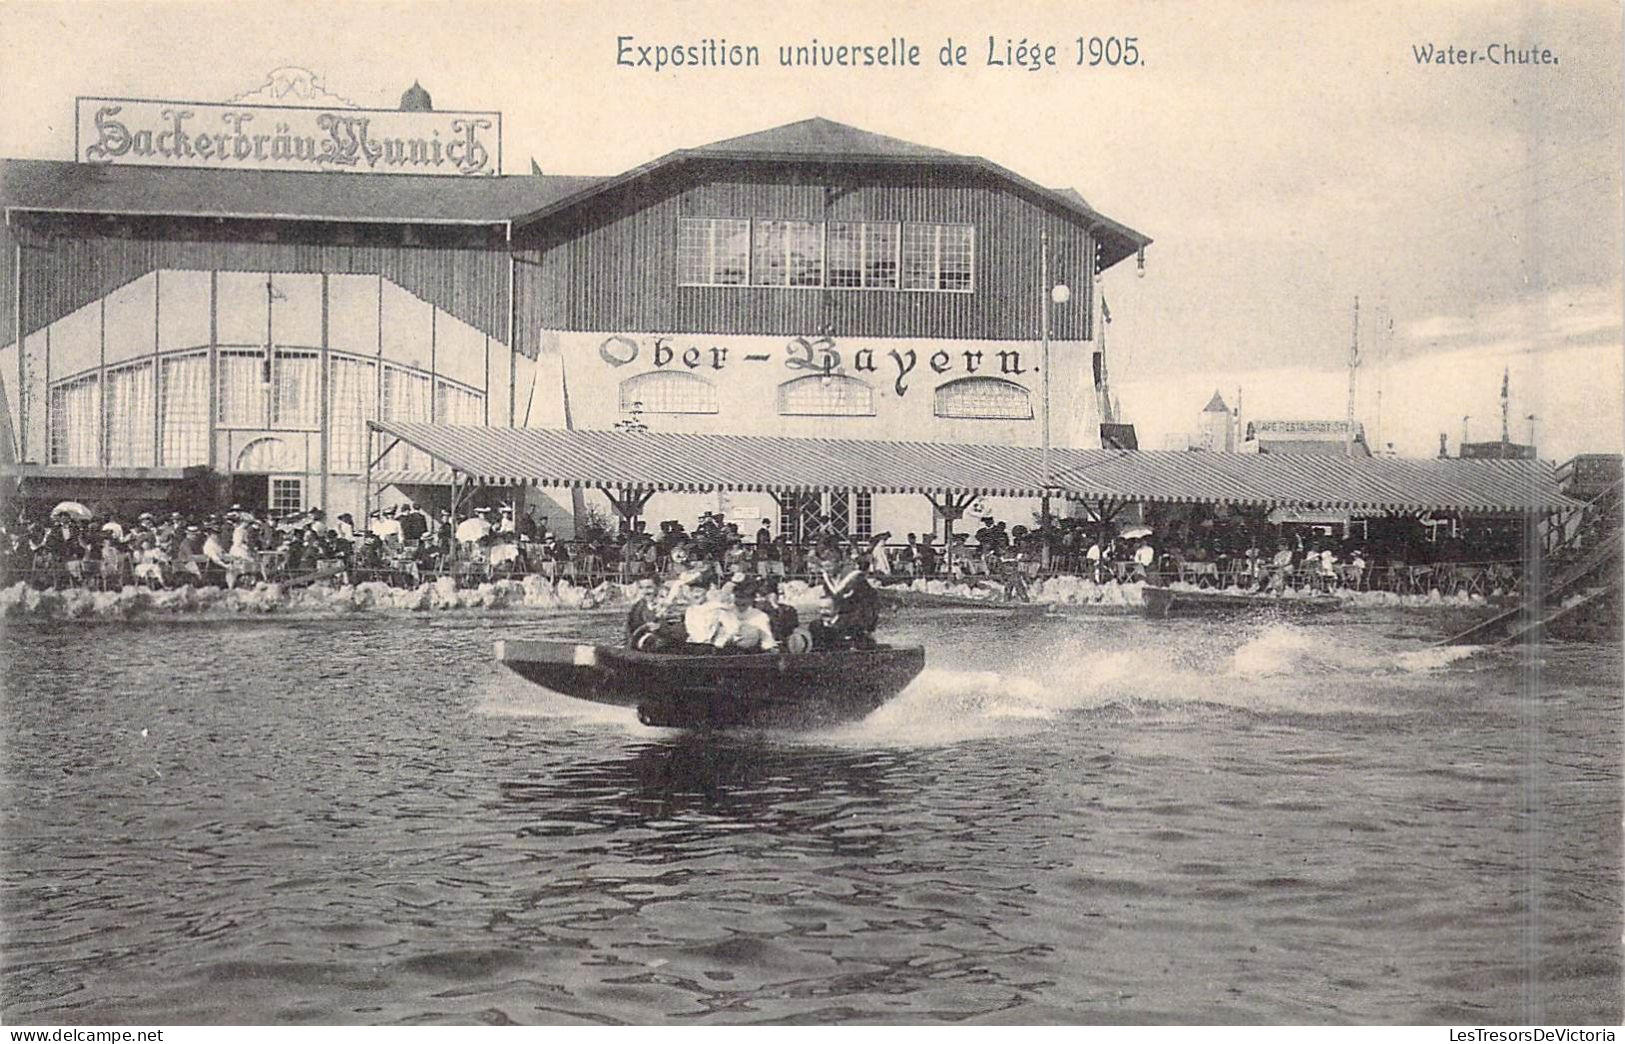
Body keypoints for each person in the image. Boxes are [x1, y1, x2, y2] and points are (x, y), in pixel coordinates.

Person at [812, 553, 880, 648]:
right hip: (837, 620)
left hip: (855, 619)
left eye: (829, 566)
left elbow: (869, 602)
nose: (827, 570)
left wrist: (867, 625)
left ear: (839, 564)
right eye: (824, 567)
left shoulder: (855, 579)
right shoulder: (828, 580)